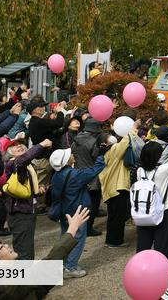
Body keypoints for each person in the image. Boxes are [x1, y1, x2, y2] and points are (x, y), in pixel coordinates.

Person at [0, 206, 91, 298]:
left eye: (1, 243)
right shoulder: (6, 286)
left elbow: (38, 285)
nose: (6, 245)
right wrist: (71, 230)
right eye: (0, 247)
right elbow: (46, 266)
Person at [135, 132, 168, 270]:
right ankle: (166, 271)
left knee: (143, 244)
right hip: (163, 211)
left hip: (144, 212)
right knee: (165, 245)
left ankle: (143, 270)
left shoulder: (139, 171)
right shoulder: (163, 170)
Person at [49, 146, 106, 277]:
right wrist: (101, 156)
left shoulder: (57, 175)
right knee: (78, 238)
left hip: (64, 210)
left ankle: (63, 264)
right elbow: (94, 170)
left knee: (65, 237)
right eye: (69, 155)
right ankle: (71, 267)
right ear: (66, 161)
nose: (72, 154)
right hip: (77, 212)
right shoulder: (74, 175)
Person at [2, 136, 53, 259]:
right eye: (14, 146)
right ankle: (23, 275)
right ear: (9, 152)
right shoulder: (12, 163)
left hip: (29, 209)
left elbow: (26, 188)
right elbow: (22, 160)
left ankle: (25, 273)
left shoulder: (28, 166)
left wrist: (38, 190)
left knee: (27, 245)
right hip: (19, 212)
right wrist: (41, 144)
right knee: (23, 248)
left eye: (20, 144)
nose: (19, 146)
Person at [98, 128, 135, 248]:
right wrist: (132, 129)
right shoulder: (113, 151)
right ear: (104, 143)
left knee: (113, 216)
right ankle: (116, 241)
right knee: (118, 217)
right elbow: (124, 143)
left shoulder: (104, 153)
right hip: (117, 188)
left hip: (111, 189)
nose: (111, 137)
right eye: (108, 137)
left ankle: (111, 240)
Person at [71, 118, 104, 236]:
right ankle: (88, 228)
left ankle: (80, 225)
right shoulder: (93, 142)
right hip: (92, 176)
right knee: (93, 203)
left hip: (78, 174)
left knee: (81, 203)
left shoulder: (75, 140)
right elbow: (97, 158)